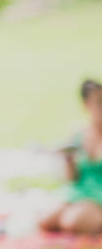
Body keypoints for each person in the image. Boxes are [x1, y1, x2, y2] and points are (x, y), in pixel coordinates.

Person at [38, 78, 102, 235]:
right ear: (86, 105)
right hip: (79, 194)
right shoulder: (78, 135)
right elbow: (71, 178)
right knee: (45, 221)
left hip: (97, 197)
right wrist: (69, 160)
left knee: (72, 222)